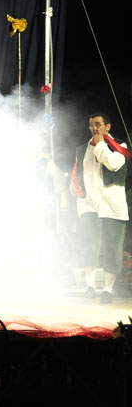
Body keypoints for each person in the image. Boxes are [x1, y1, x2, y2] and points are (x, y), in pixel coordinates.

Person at [70, 112, 130, 304]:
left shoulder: (119, 146)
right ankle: (89, 285)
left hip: (112, 205)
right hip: (89, 204)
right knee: (89, 244)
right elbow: (78, 174)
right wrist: (75, 190)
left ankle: (108, 289)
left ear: (107, 127)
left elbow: (112, 165)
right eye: (91, 125)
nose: (94, 129)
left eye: (97, 124)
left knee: (114, 246)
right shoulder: (82, 149)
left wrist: (101, 144)